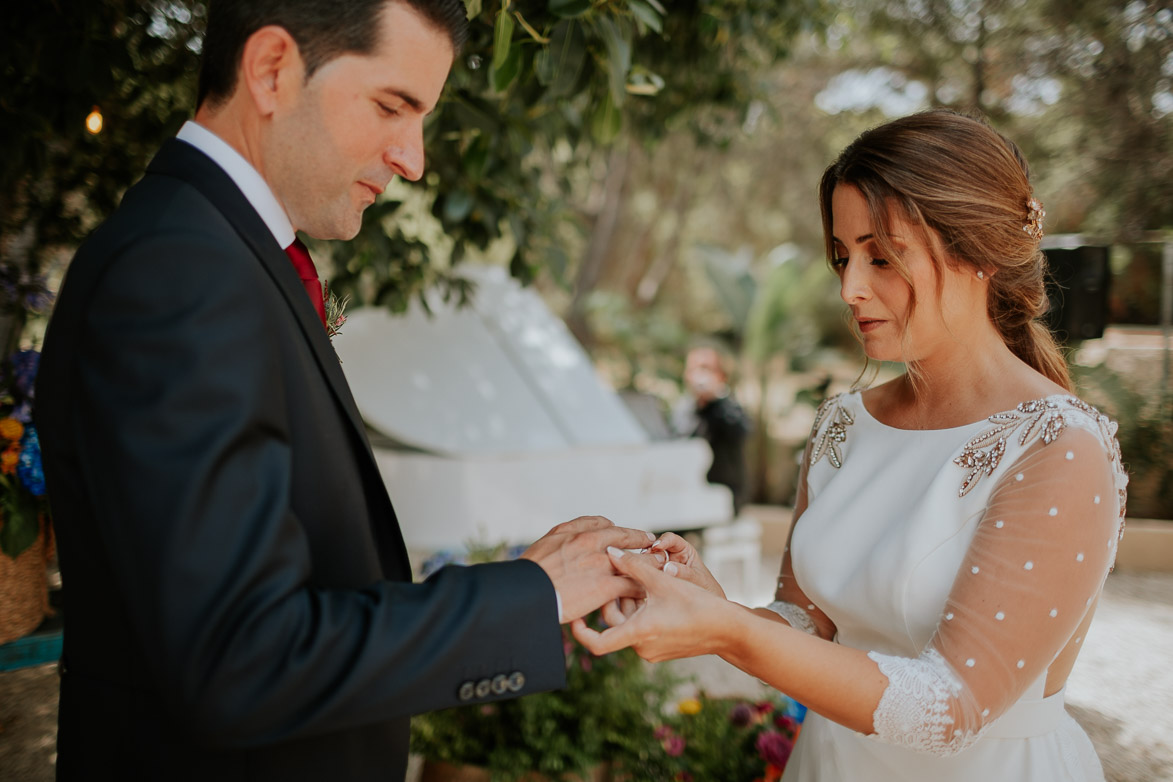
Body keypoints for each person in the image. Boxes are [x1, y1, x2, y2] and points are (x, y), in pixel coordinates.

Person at [34, 2, 653, 780]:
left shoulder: (217, 251)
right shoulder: (180, 272)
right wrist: (526, 598)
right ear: (270, 70)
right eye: (393, 107)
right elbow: (243, 659)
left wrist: (526, 584)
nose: (413, 158)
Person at [572, 110, 1128, 782]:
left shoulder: (1057, 447)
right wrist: (710, 602)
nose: (848, 288)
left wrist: (726, 631)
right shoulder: (844, 423)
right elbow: (807, 632)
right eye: (842, 255)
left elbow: (950, 708)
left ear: (976, 253)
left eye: (880, 256)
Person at [671, 345, 752, 514]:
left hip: (724, 495)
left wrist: (715, 399)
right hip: (685, 495)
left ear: (721, 376)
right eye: (695, 369)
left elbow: (742, 431)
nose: (700, 375)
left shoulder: (729, 407)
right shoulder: (683, 408)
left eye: (707, 368)